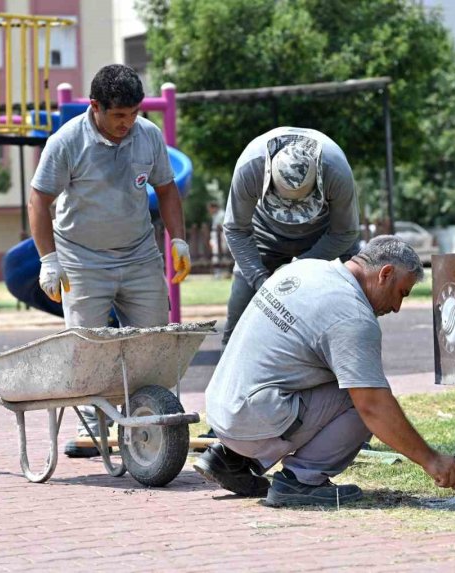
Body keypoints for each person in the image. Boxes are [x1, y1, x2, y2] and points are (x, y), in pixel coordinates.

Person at [193, 236, 455, 507]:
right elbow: (373, 407)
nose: (396, 308)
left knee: (336, 375)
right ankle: (301, 481)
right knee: (362, 398)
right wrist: (431, 460)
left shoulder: (306, 269)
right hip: (247, 420)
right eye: (401, 294)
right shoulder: (353, 316)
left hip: (221, 409)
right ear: (385, 274)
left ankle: (231, 457)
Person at [28, 64, 191, 458]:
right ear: (95, 106)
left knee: (153, 343)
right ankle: (94, 428)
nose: (127, 123)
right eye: (119, 115)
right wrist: (49, 260)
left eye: (134, 113)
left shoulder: (147, 136)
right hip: (82, 258)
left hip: (137, 254)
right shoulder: (67, 142)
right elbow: (39, 201)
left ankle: (147, 418)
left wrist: (179, 240)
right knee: (90, 348)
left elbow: (167, 190)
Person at [222, 127, 361, 349]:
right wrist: (260, 281)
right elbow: (236, 229)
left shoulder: (336, 170)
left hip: (326, 238)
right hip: (265, 236)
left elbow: (345, 232)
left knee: (351, 317)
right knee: (238, 321)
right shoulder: (251, 166)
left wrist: (298, 269)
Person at [207, 201, 226, 278]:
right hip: (215, 237)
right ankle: (217, 272)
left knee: (220, 255)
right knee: (216, 255)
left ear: (214, 208)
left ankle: (221, 272)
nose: (209, 211)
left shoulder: (222, 214)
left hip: (221, 237)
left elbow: (222, 227)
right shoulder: (215, 215)